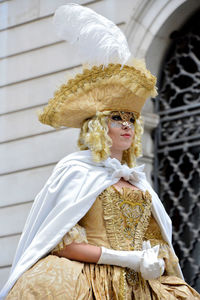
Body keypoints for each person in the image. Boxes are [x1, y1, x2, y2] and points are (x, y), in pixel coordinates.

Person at [1, 3, 200, 300]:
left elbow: (156, 242)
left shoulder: (137, 180)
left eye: (130, 118)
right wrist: (126, 259)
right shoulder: (76, 171)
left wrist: (152, 262)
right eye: (116, 118)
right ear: (97, 126)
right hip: (91, 282)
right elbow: (62, 242)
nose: (126, 125)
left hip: (142, 285)